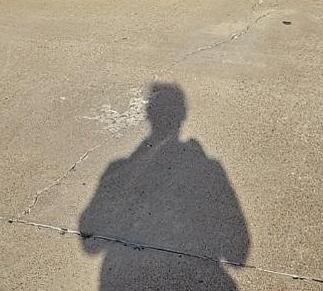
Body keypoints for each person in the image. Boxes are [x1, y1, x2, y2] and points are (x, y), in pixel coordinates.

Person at [79, 83, 250, 290]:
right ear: (183, 115)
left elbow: (91, 241)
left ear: (148, 115)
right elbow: (237, 251)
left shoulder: (116, 171)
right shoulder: (209, 170)